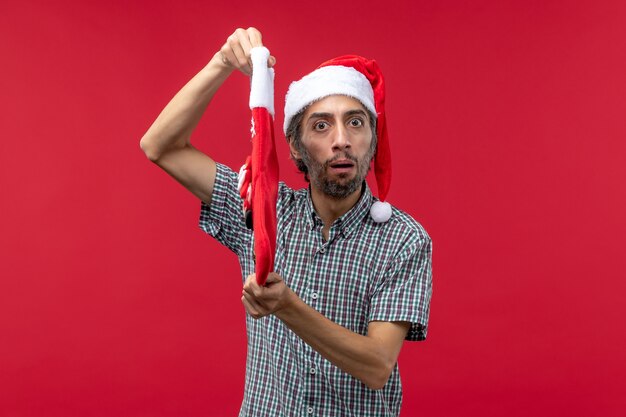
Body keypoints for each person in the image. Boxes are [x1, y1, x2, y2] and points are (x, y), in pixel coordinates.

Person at [140, 27, 432, 417]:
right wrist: (222, 63)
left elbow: (377, 365)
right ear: (295, 144)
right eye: (322, 125)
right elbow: (160, 146)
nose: (341, 139)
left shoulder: (403, 240)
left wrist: (286, 306)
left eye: (356, 122)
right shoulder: (261, 207)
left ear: (373, 139)